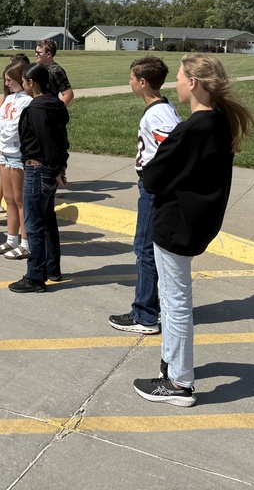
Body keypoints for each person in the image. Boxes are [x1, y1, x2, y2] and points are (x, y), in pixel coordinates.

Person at [133, 54, 254, 407]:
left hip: (176, 226)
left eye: (181, 77)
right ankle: (171, 366)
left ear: (194, 84)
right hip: (196, 224)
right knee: (175, 301)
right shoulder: (219, 122)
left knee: (174, 304)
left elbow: (152, 176)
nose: (176, 83)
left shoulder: (191, 129)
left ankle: (179, 382)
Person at [109, 56, 180, 334]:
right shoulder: (161, 108)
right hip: (152, 186)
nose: (128, 82)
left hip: (152, 189)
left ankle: (145, 314)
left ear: (142, 82)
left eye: (131, 78)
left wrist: (154, 179)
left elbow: (171, 153)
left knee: (145, 250)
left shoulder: (158, 114)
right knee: (149, 250)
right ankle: (153, 306)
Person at [8, 64, 69, 293]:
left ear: (31, 83)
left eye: (24, 81)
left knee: (34, 224)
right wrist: (60, 166)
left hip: (37, 170)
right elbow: (62, 141)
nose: (23, 85)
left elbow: (45, 142)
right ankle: (52, 268)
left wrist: (54, 168)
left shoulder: (36, 109)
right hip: (51, 169)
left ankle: (35, 277)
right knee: (47, 220)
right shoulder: (55, 106)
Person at [0, 61, 32, 259]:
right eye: (5, 80)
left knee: (19, 200)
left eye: (10, 80)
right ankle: (11, 239)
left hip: (17, 155)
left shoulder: (26, 101)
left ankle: (25, 242)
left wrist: (3, 128)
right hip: (5, 153)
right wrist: (3, 128)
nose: (6, 84)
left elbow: (14, 130)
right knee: (8, 199)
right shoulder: (10, 99)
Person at [35, 39, 73, 105]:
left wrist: (57, 110)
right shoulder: (36, 68)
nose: (36, 54)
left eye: (39, 53)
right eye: (35, 52)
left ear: (48, 54)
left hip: (49, 107)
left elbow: (68, 95)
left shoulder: (56, 70)